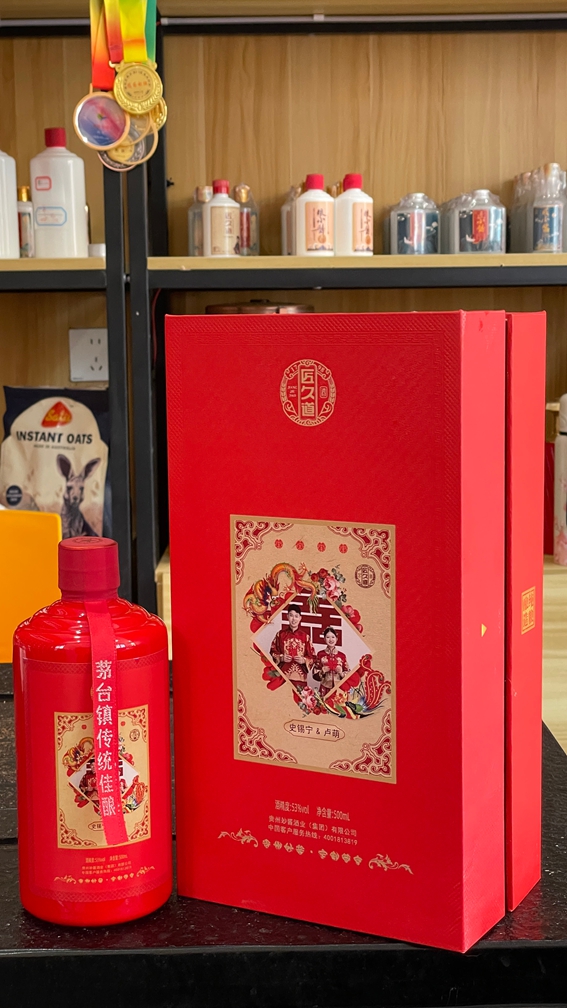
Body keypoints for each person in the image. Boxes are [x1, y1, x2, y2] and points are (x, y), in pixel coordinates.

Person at [270, 604, 314, 687]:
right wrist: (281, 658)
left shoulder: (305, 637)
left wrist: (304, 660)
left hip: (300, 677)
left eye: (296, 616)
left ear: (300, 618)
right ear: (287, 616)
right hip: (283, 676)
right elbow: (273, 651)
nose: (294, 619)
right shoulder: (280, 635)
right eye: (291, 615)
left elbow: (313, 656)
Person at [313, 626, 349, 697]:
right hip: (324, 688)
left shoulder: (342, 656)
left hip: (339, 688)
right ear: (324, 639)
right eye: (328, 637)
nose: (331, 639)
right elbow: (314, 674)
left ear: (336, 639)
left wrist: (341, 673)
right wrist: (322, 671)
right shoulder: (320, 654)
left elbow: (348, 673)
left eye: (333, 637)